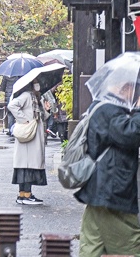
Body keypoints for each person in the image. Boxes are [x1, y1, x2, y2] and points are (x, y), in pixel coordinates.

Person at [76, 82, 140, 257]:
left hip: (100, 188)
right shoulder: (109, 109)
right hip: (113, 190)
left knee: (92, 246)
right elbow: (131, 134)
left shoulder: (99, 105)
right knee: (130, 248)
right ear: (125, 87)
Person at [8, 81, 49, 205]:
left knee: (28, 164)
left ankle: (24, 194)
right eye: (36, 82)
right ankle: (25, 195)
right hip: (28, 134)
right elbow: (12, 105)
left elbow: (42, 116)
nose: (38, 85)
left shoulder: (37, 97)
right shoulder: (26, 95)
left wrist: (47, 109)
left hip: (34, 134)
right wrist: (24, 119)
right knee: (26, 165)